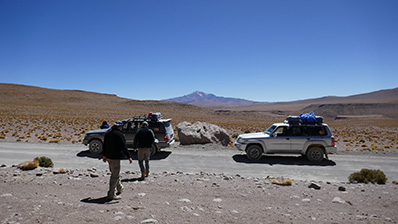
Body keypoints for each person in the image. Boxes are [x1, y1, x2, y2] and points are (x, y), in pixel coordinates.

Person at [102, 121, 133, 200]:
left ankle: (119, 188)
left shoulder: (108, 133)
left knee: (115, 173)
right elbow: (124, 146)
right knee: (114, 176)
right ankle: (111, 194)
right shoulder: (119, 134)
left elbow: (104, 145)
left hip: (108, 157)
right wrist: (129, 156)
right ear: (119, 127)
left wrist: (104, 155)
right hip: (115, 158)